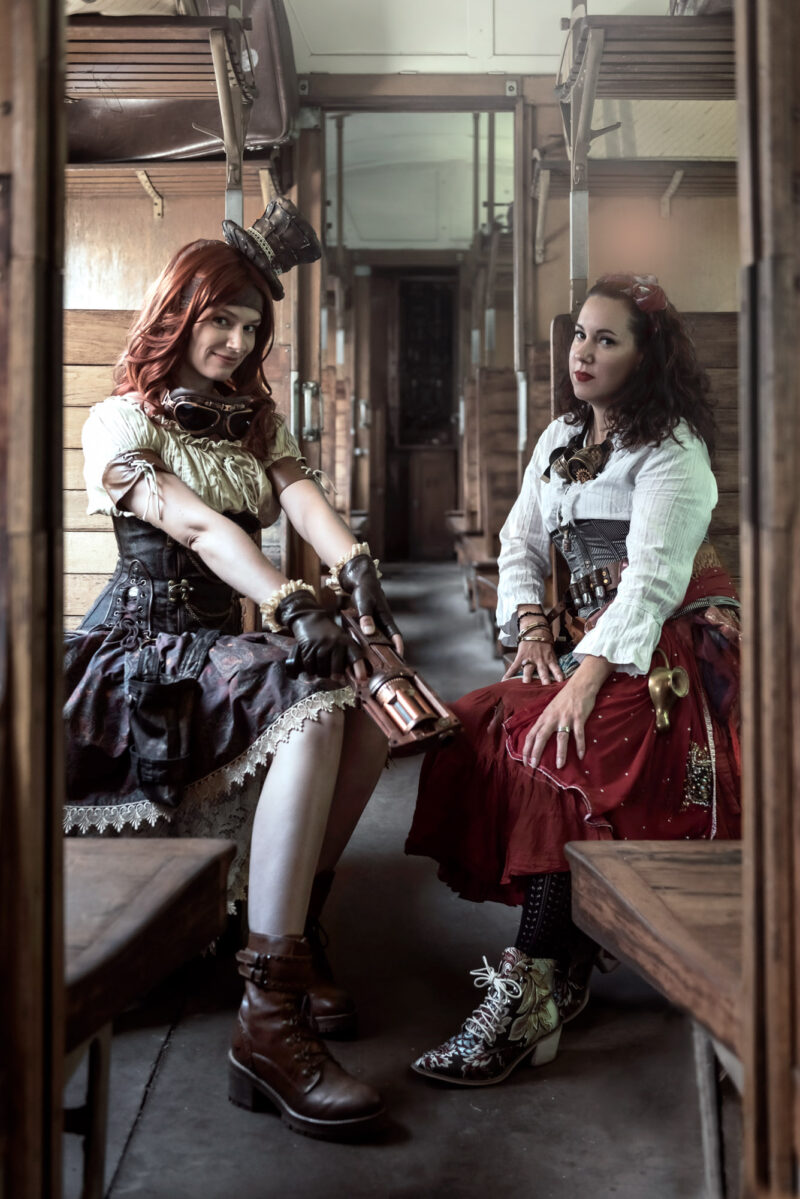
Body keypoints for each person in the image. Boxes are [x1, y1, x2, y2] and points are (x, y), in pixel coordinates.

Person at [63, 197, 403, 1139]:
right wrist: (293, 600)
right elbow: (199, 526)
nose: (236, 341)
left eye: (251, 328)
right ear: (179, 313)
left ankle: (287, 930)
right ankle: (268, 1014)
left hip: (222, 640)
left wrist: (357, 569)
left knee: (371, 711)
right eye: (221, 319)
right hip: (143, 647)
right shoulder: (117, 420)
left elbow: (303, 497)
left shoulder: (253, 419)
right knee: (315, 703)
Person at [405, 273, 741, 1086]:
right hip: (587, 643)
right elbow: (519, 540)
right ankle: (566, 958)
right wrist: (530, 629)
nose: (582, 353)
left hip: (663, 652)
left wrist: (584, 680)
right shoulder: (559, 436)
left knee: (557, 751)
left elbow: (652, 583)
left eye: (606, 340)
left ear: (645, 356)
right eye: (580, 335)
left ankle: (530, 992)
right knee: (478, 723)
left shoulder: (673, 450)